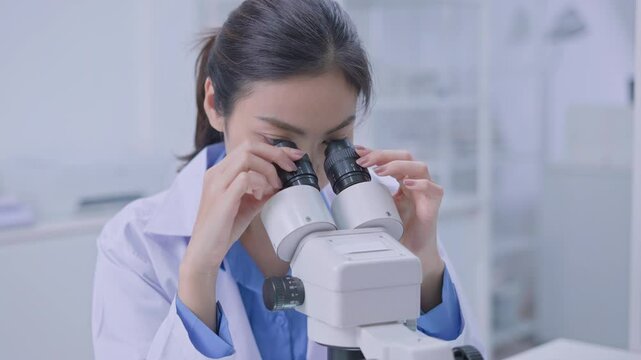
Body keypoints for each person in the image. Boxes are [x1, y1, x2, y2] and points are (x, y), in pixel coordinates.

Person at [91, 0, 483, 359]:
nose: (308, 169)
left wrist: (425, 272)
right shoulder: (135, 244)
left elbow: (461, 349)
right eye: (279, 142)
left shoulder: (388, 215)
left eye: (335, 142)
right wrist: (199, 272)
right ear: (215, 105)